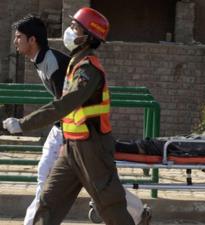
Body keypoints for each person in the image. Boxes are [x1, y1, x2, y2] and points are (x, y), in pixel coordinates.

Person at [3, 7, 147, 225]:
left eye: (74, 27)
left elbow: (64, 105)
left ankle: (140, 217)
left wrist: (24, 124)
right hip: (71, 148)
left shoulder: (88, 69)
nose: (68, 31)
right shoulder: (75, 63)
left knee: (111, 207)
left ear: (87, 36)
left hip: (92, 148)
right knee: (47, 203)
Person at [12, 15, 69, 225]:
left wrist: (66, 138)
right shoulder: (41, 60)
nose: (15, 41)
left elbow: (65, 103)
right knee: (44, 174)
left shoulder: (51, 62)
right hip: (66, 127)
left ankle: (136, 213)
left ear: (32, 40)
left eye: (19, 37)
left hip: (75, 129)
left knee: (99, 185)